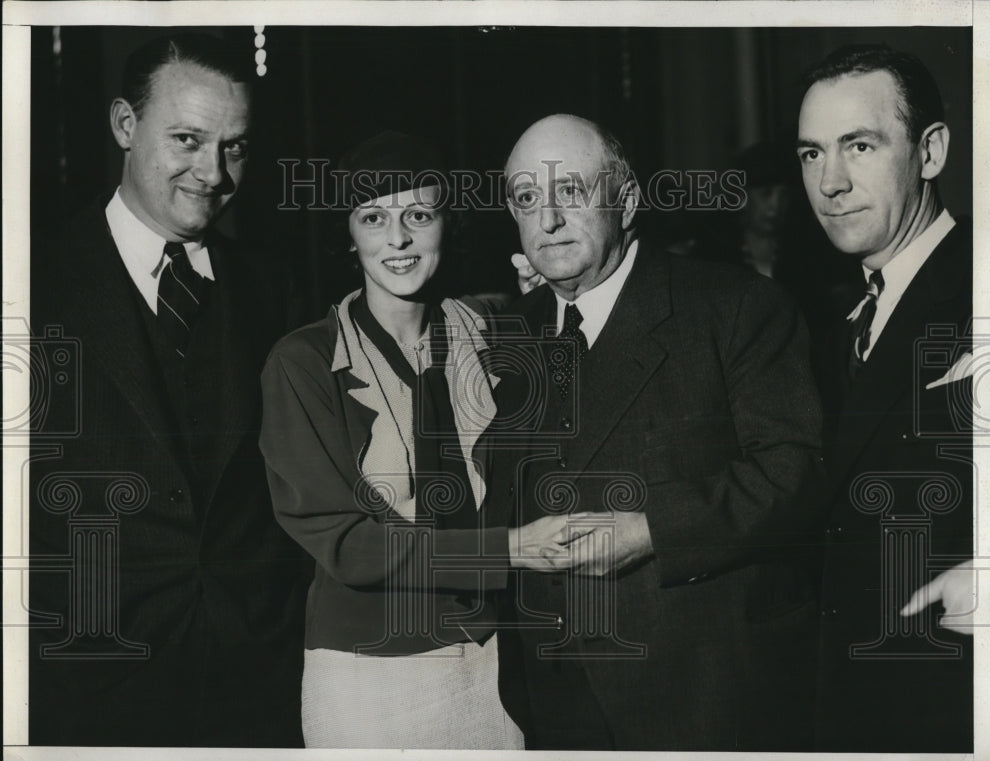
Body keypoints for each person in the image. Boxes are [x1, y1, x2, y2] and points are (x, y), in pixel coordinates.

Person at [491, 113, 824, 751]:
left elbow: (795, 470)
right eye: (527, 199)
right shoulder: (512, 331)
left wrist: (650, 529)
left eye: (572, 193)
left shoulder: (736, 307)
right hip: (552, 696)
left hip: (701, 695)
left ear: (629, 199)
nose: (548, 220)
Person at [258, 130, 580, 749]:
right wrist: (509, 549)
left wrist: (555, 303)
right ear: (348, 236)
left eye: (418, 214)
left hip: (496, 662)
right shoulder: (303, 361)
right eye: (373, 217)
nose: (398, 239)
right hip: (370, 675)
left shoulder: (492, 328)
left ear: (445, 225)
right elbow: (350, 546)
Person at [29, 34, 308, 746]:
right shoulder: (30, 281)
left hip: (257, 688)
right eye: (187, 139)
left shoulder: (272, 286)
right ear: (125, 125)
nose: (213, 172)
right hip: (86, 691)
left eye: (235, 146)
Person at [797, 44, 973, 752]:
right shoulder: (838, 320)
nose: (830, 182)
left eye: (859, 146)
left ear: (930, 152)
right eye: (811, 154)